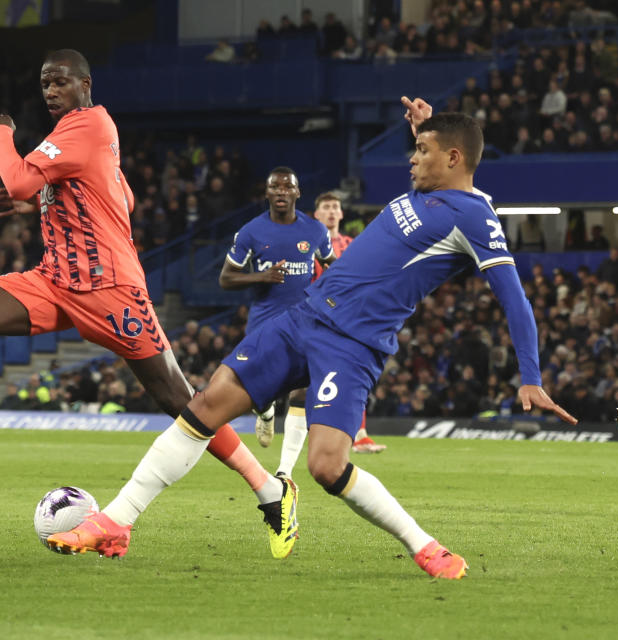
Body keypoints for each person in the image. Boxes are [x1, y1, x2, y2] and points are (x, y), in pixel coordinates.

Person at [46, 106, 576, 579]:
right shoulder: (427, 191)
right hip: (302, 317)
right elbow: (443, 157)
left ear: (454, 158)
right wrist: (426, 128)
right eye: (415, 149)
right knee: (205, 405)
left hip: (352, 346)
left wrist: (530, 375)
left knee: (326, 467)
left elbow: (515, 299)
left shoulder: (477, 218)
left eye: (422, 151)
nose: (412, 159)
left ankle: (426, 547)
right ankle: (116, 521)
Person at [0, 49, 298, 558]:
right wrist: (37, 203)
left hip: (111, 291)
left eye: (59, 81)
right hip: (56, 280)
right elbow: (117, 198)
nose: (49, 90)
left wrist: (0, 132)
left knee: (182, 402)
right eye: (44, 83)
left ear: (85, 84)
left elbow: (16, 176)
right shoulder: (89, 138)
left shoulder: (89, 125)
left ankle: (273, 493)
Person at [218, 167, 334, 450]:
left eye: (287, 187)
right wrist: (262, 276)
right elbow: (226, 279)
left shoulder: (315, 230)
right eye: (275, 187)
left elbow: (332, 266)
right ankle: (265, 411)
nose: (281, 191)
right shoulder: (251, 232)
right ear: (267, 192)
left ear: (297, 192)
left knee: (301, 388)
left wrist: (327, 295)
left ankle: (288, 465)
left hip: (304, 321)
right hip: (265, 322)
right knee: (258, 389)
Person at [311, 192, 387, 457]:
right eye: (326, 207)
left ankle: (359, 435)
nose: (332, 211)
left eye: (335, 207)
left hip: (348, 321)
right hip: (316, 320)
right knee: (311, 382)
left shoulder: (353, 245)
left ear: (342, 214)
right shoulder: (308, 247)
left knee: (354, 374)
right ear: (316, 215)